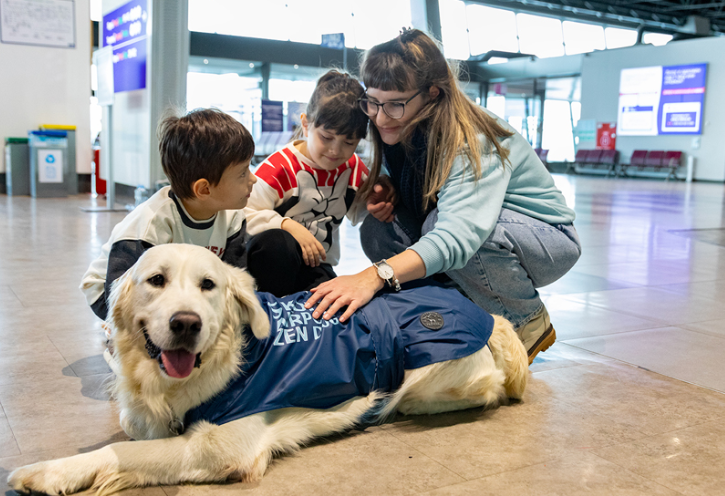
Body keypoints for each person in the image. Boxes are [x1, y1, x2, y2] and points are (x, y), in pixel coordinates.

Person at [305, 29, 581, 365]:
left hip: (546, 240)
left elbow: (458, 235)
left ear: (432, 94)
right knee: (378, 231)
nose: (378, 117)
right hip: (489, 232)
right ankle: (449, 315)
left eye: (394, 104)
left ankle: (526, 320)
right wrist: (387, 186)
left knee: (446, 229)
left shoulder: (471, 137)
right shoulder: (400, 125)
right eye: (373, 102)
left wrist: (373, 276)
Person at [81, 108, 257, 364]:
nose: (253, 179)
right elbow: (122, 288)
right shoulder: (150, 224)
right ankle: (115, 336)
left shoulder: (232, 218)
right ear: (204, 189)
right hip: (109, 289)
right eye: (243, 173)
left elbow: (230, 280)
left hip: (183, 290)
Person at [243, 70, 369, 297]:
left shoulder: (354, 168)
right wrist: (288, 226)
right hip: (270, 263)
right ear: (306, 124)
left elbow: (362, 213)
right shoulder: (279, 168)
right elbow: (243, 214)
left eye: (349, 142)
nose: (335, 150)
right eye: (326, 137)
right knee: (277, 244)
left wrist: (382, 200)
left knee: (326, 308)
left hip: (316, 265)